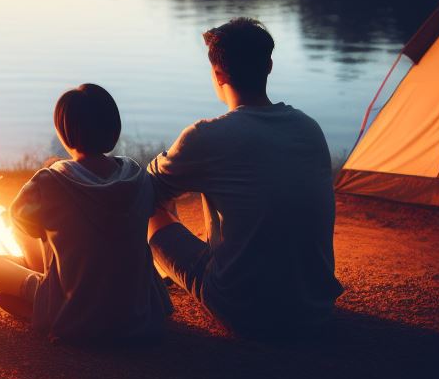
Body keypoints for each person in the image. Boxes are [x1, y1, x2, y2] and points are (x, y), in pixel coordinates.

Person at [146, 18, 343, 337]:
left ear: (219, 74)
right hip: (314, 307)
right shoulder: (309, 127)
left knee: (151, 206)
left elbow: (146, 187)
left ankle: (137, 282)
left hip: (244, 309)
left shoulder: (207, 135)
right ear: (269, 66)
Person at [0, 84, 171, 343]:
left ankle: (43, 300)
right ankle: (42, 298)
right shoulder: (138, 177)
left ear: (64, 134)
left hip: (76, 319)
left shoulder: (48, 182)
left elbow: (21, 223)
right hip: (138, 317)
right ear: (114, 128)